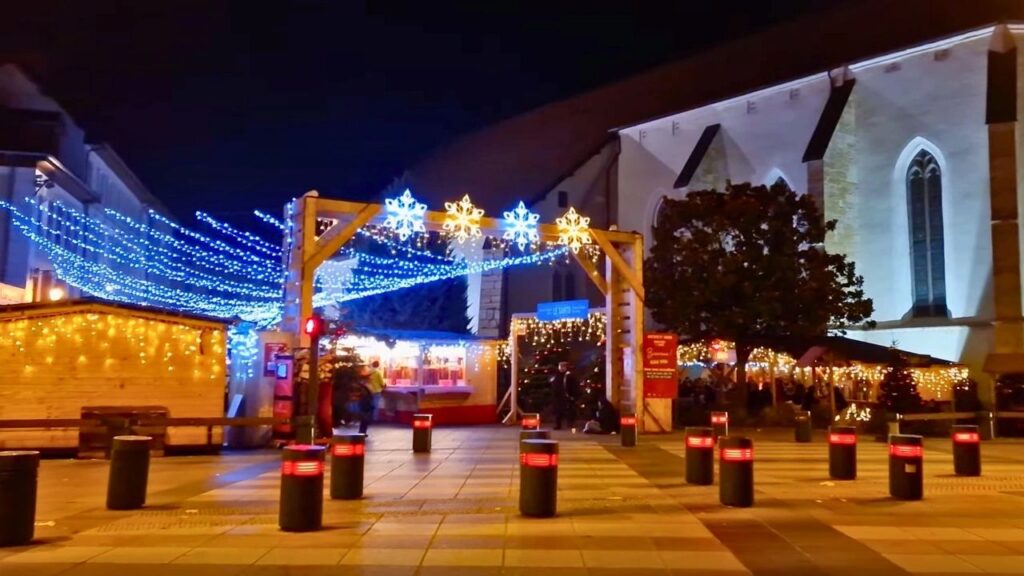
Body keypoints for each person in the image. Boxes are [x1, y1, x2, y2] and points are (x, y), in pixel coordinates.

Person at [359, 360, 386, 435]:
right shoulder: (377, 372)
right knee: (375, 406)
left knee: (369, 407)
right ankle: (374, 419)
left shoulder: (367, 372)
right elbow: (382, 382)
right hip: (376, 391)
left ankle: (368, 421)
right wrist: (384, 386)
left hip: (369, 392)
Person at [551, 361, 580, 431]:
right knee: (559, 411)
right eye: (560, 366)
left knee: (569, 410)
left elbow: (574, 386)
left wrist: (573, 395)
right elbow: (554, 385)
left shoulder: (569, 375)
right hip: (559, 396)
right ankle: (558, 424)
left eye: (562, 366)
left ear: (566, 367)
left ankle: (570, 423)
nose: (561, 368)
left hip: (567, 396)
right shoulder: (557, 375)